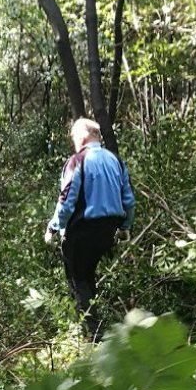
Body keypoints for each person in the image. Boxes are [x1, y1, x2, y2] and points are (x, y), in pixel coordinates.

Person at [44, 118, 136, 341]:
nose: (74, 142)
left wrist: (53, 228)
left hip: (83, 230)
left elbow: (66, 201)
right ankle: (95, 327)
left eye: (74, 137)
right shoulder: (116, 161)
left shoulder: (77, 161)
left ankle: (94, 337)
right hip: (107, 231)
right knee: (88, 274)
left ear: (83, 136)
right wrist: (125, 226)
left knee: (78, 279)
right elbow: (129, 200)